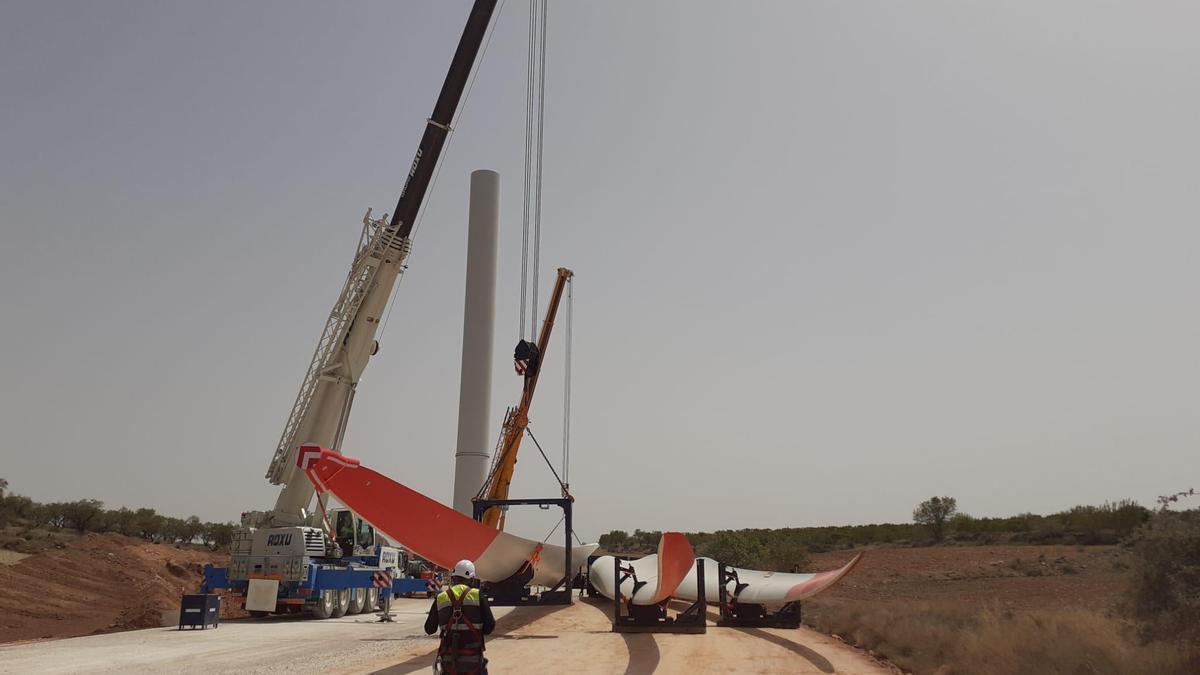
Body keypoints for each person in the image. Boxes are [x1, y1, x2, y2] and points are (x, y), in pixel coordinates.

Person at [424, 559, 495, 674]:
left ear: (453, 578)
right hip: (473, 662)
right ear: (472, 580)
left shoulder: (441, 598)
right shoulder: (478, 596)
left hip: (448, 662)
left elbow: (429, 629)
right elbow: (490, 627)